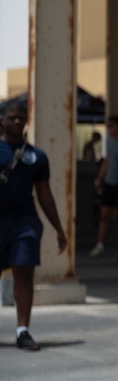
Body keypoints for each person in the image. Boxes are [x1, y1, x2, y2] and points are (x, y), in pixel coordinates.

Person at [0, 101, 68, 351]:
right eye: (11, 117)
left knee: (24, 272)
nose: (17, 122)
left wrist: (59, 229)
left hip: (25, 222)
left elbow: (45, 195)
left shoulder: (37, 156)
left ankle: (23, 331)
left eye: (21, 118)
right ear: (2, 120)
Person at [90, 116, 118, 258]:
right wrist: (100, 178)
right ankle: (100, 244)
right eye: (108, 126)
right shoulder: (109, 142)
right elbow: (107, 161)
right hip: (109, 183)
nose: (110, 129)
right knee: (104, 214)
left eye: (112, 126)